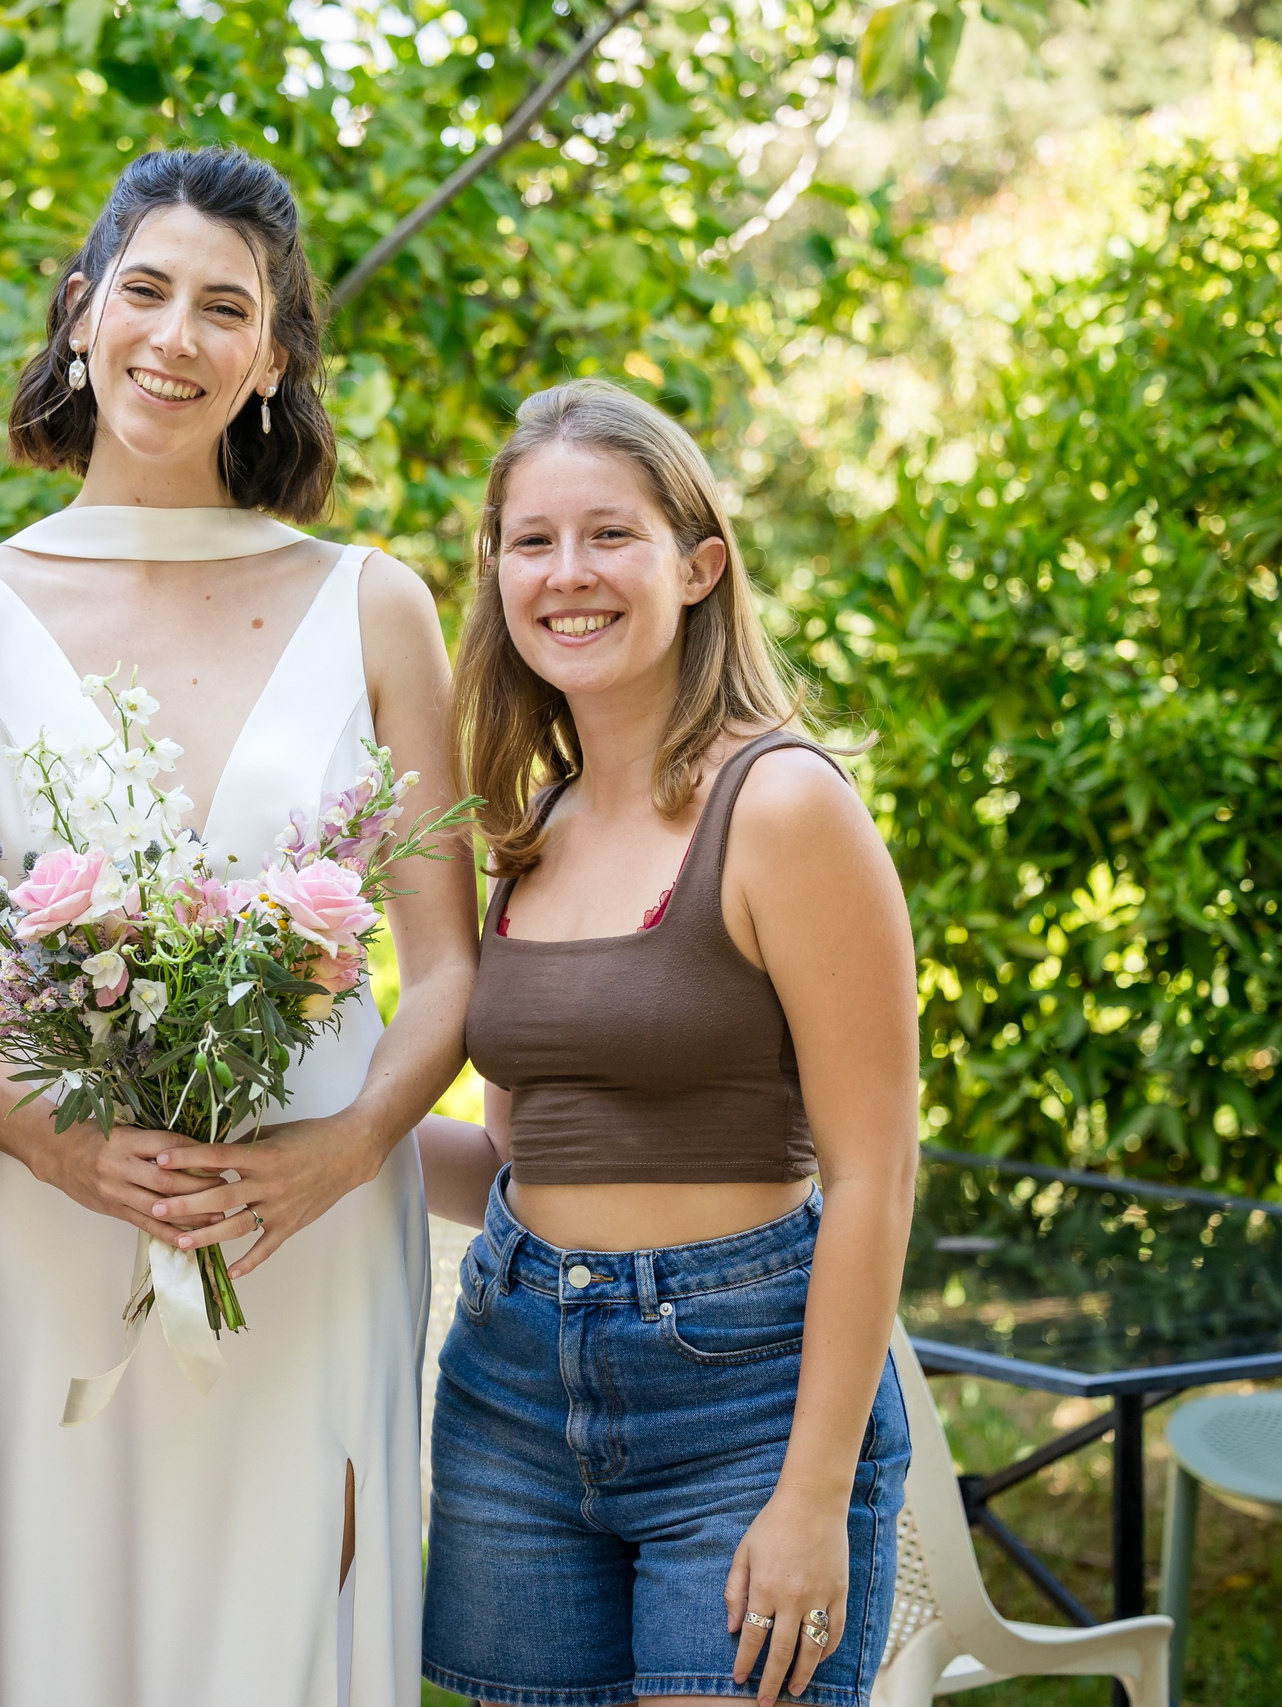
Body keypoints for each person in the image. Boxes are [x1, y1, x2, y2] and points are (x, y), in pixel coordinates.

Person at [0, 146, 477, 1706]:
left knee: (293, 1633)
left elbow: (449, 969)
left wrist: (336, 1157)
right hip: (63, 1226)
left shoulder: (375, 604)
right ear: (82, 314)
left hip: (318, 1232)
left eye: (229, 308)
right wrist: (71, 1152)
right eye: (145, 290)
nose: (177, 335)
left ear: (274, 357)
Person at [414, 378, 918, 1707]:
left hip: (743, 1404)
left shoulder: (783, 804)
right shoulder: (531, 831)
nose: (566, 576)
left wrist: (813, 1495)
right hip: (515, 1392)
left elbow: (874, 1172)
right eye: (532, 542)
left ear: (699, 568)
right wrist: (303, 1130)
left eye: (608, 536)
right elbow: (524, 1163)